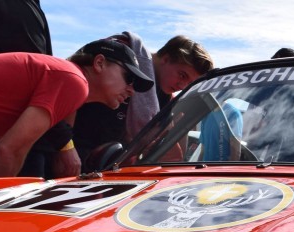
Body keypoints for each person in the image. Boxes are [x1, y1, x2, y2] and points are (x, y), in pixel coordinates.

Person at [0, 39, 153, 181]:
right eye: (129, 78)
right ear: (99, 63)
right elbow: (9, 151)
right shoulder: (74, 81)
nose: (132, 91)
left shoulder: (62, 78)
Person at [73, 34, 212, 166]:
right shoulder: (119, 58)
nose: (182, 86)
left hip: (107, 166)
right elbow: (71, 87)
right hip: (68, 148)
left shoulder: (168, 103)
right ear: (166, 58)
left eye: (189, 83)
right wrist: (65, 146)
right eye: (182, 75)